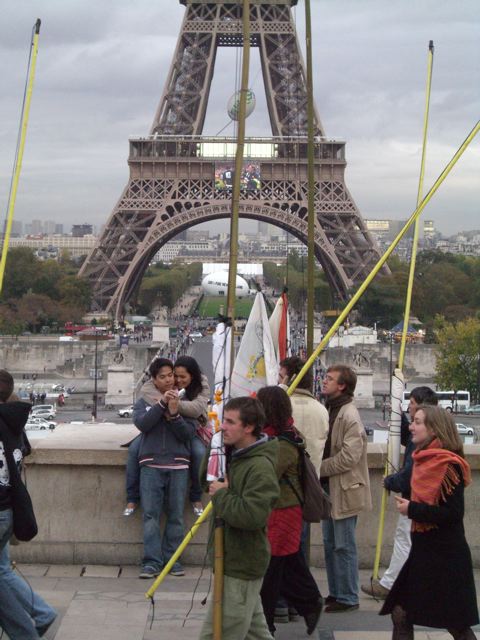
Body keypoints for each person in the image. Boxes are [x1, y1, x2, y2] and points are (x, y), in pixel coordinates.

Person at [380, 406, 478, 639]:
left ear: (434, 428)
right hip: (424, 551)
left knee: (456, 624)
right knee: (400, 611)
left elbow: (452, 513)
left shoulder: (448, 464)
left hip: (445, 555)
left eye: (417, 422)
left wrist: (412, 508)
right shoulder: (421, 460)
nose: (411, 426)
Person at [199, 396, 279, 640]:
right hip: (232, 558)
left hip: (241, 562)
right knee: (256, 633)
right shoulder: (234, 454)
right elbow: (207, 482)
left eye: (230, 422)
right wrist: (215, 451)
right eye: (223, 420)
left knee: (218, 633)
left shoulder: (260, 467)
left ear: (249, 427)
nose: (223, 426)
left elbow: (252, 515)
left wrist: (222, 496)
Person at [256, 386, 323, 637]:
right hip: (281, 510)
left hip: (283, 511)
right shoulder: (281, 435)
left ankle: (266, 623)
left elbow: (266, 473)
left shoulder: (283, 442)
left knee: (271, 569)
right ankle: (309, 603)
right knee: (288, 564)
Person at [362, 386, 438, 600]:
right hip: (420, 500)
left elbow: (410, 473)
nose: (409, 407)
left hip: (416, 499)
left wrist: (390, 481)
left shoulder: (425, 443)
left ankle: (391, 583)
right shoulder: (430, 433)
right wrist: (399, 418)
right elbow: (408, 436)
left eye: (411, 403)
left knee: (405, 539)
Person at [0, 370, 57, 639]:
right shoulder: (11, 419)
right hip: (9, 508)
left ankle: (27, 632)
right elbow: (24, 449)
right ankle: (41, 614)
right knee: (1, 572)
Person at [123, 356, 210, 518]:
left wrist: (172, 405)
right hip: (165, 427)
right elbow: (147, 388)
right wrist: (165, 405)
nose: (176, 380)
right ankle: (132, 498)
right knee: (134, 450)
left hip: (193, 427)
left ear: (193, 375)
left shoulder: (202, 384)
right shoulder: (170, 379)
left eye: (182, 377)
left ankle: (196, 496)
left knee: (199, 453)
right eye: (174, 375)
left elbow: (196, 409)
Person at [132, 358, 195, 579]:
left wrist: (175, 414)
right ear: (154, 380)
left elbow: (188, 434)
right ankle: (151, 561)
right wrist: (161, 406)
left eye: (171, 376)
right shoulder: (144, 401)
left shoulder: (186, 399)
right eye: (163, 377)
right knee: (150, 515)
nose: (169, 380)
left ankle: (172, 560)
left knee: (176, 516)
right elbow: (142, 424)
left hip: (178, 464)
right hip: (151, 463)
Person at [320, 365, 372, 613]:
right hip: (331, 487)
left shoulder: (349, 415)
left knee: (343, 545)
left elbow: (349, 458)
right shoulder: (332, 409)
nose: (324, 381)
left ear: (342, 385)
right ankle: (337, 592)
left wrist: (318, 468)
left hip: (344, 488)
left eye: (329, 379)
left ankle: (348, 596)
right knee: (331, 544)